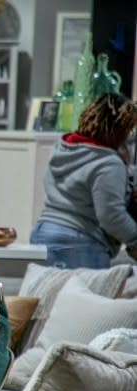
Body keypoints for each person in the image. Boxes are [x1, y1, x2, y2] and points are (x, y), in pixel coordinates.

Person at [30, 92, 137, 268]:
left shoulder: (63, 149)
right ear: (118, 131)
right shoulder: (108, 164)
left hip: (43, 232)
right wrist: (134, 238)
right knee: (82, 296)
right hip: (80, 242)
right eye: (128, 130)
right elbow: (111, 216)